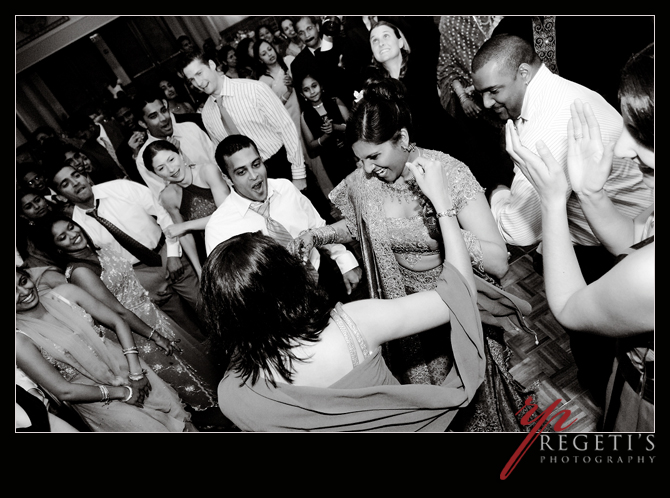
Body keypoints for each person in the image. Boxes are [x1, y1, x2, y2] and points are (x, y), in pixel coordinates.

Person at [290, 79, 538, 431]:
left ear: (403, 139)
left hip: (453, 310)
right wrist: (319, 234)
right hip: (402, 316)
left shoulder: (449, 174)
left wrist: (440, 214)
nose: (366, 170)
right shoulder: (367, 180)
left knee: (475, 407)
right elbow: (360, 225)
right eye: (359, 160)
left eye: (374, 156)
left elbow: (497, 259)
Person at [201, 156, 486, 431]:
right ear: (289, 280)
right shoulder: (354, 323)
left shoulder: (231, 397)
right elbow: (457, 297)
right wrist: (443, 207)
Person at [471, 33, 654, 402]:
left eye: (638, 133)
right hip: (612, 236)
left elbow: (567, 302)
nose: (620, 146)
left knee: (597, 357)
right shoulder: (553, 96)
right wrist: (590, 193)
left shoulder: (550, 121)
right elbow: (634, 239)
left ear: (523, 72)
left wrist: (533, 198)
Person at [33, 213, 222, 416]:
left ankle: (219, 408)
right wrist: (155, 336)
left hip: (150, 314)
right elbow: (118, 311)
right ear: (58, 248)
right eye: (62, 237)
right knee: (181, 377)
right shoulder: (80, 272)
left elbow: (125, 284)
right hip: (135, 332)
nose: (72, 235)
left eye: (70, 227)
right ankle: (211, 418)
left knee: (193, 364)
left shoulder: (97, 250)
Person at [15, 267, 196, 432]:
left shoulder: (65, 294)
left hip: (130, 368)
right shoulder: (19, 339)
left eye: (23, 281)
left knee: (181, 421)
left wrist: (136, 373)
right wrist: (124, 393)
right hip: (98, 399)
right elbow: (63, 390)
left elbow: (118, 321)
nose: (24, 292)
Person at [45, 164, 204, 338]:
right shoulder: (76, 226)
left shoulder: (121, 187)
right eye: (65, 183)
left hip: (168, 252)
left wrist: (173, 253)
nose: (75, 183)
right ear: (60, 196)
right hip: (138, 276)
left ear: (84, 176)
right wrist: (141, 292)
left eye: (76, 175)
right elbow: (101, 263)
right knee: (183, 328)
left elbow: (163, 214)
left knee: (204, 304)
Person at [206, 134, 362, 305]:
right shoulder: (219, 228)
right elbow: (234, 291)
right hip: (282, 305)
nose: (254, 175)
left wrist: (344, 260)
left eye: (256, 164)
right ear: (228, 179)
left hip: (324, 274)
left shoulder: (285, 188)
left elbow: (317, 226)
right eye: (241, 172)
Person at [180, 50, 307, 192]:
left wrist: (298, 174)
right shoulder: (207, 114)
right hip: (250, 180)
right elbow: (222, 153)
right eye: (192, 79)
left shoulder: (253, 89)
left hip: (281, 164)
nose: (198, 83)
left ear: (211, 64)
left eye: (199, 73)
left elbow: (286, 128)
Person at [436, 16, 513, 193]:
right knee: (490, 169)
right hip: (474, 109)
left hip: (508, 96)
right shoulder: (451, 21)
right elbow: (447, 66)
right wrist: (463, 98)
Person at [142, 139, 231, 271]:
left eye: (171, 159)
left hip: (238, 235)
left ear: (180, 154)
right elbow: (185, 237)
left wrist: (185, 226)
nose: (171, 169)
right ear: (156, 174)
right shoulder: (168, 196)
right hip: (211, 251)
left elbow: (227, 213)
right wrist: (199, 270)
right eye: (161, 168)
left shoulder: (207, 171)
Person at [132, 93, 219, 200]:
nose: (163, 118)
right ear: (143, 124)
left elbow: (216, 161)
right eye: (153, 116)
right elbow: (166, 198)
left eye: (163, 110)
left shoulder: (190, 128)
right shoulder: (143, 159)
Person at [299, 70, 356, 188]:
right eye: (306, 90)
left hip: (351, 154)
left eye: (314, 86)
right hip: (331, 161)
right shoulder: (305, 116)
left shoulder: (335, 101)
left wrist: (335, 127)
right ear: (302, 94)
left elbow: (354, 127)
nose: (312, 91)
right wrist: (326, 136)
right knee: (347, 194)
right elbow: (310, 145)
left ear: (321, 85)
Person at [291, 16, 352, 108]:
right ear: (298, 36)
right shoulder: (297, 64)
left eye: (309, 28)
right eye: (301, 33)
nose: (307, 35)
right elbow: (304, 101)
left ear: (317, 27)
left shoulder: (340, 44)